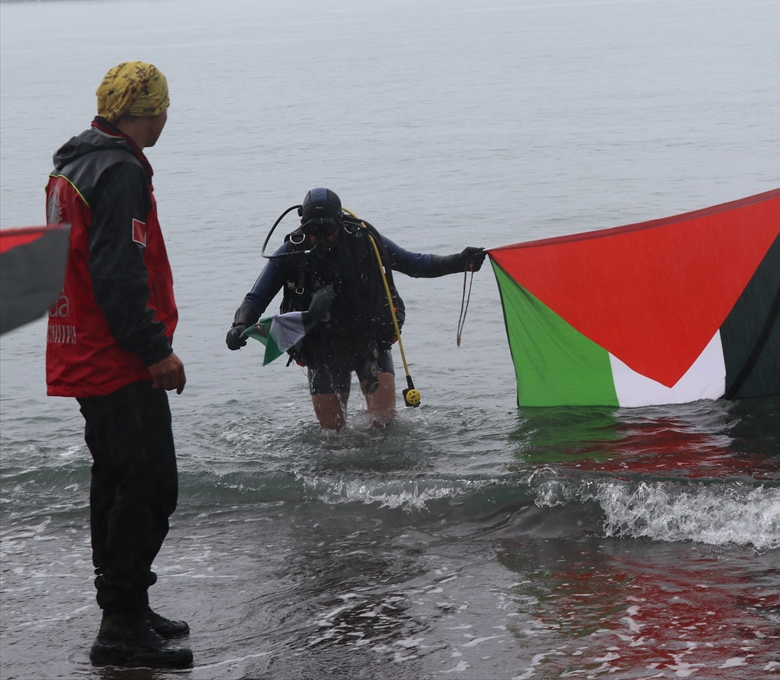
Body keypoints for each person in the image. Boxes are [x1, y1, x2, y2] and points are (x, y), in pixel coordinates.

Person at [45, 62, 193, 668]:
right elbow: (117, 269)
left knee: (114, 481)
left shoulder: (73, 163)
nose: (164, 121)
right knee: (151, 486)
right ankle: (120, 628)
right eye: (162, 111)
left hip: (76, 341)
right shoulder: (121, 168)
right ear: (147, 111)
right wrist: (155, 349)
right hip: (115, 354)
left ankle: (126, 606)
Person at [226, 188, 485, 429]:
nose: (319, 237)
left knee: (384, 425)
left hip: (369, 340)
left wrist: (461, 261)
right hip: (322, 348)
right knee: (332, 435)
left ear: (339, 221)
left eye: (326, 228)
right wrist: (240, 324)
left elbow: (415, 264)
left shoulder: (365, 242)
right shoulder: (293, 251)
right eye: (312, 229)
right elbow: (256, 298)